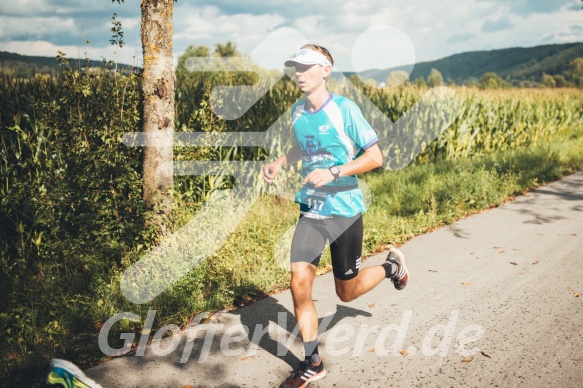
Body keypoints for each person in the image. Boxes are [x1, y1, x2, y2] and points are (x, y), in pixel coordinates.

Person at [262, 44, 410, 388]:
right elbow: (304, 145)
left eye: (306, 67)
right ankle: (313, 362)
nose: (298, 73)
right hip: (312, 209)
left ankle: (392, 267)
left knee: (347, 292)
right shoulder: (298, 112)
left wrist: (334, 171)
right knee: (298, 282)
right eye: (295, 67)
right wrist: (281, 162)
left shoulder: (344, 109)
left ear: (325, 70)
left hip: (344, 210)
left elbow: (375, 157)